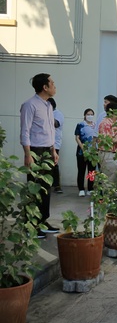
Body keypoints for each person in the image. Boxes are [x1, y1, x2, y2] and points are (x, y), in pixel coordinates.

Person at [20, 73, 60, 238]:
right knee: (34, 188)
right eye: (52, 83)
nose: (55, 86)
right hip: (35, 151)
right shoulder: (30, 105)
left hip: (48, 150)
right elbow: (25, 131)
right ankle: (31, 225)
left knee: (46, 187)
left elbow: (50, 130)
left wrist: (53, 150)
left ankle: (43, 221)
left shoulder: (48, 105)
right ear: (45, 87)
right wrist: (28, 154)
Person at [97, 102, 117, 182]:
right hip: (108, 154)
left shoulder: (115, 123)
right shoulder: (105, 123)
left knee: (115, 181)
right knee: (109, 181)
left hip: (115, 154)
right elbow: (108, 140)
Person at [75, 108, 97, 197]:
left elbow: (96, 137)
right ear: (85, 115)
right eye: (88, 114)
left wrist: (93, 147)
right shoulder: (80, 125)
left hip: (93, 152)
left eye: (91, 114)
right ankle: (81, 189)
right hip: (81, 152)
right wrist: (83, 147)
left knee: (91, 171)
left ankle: (90, 188)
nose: (90, 116)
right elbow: (77, 137)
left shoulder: (95, 125)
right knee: (81, 170)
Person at [48, 97, 64, 194]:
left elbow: (56, 124)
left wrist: (47, 115)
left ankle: (57, 185)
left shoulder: (58, 114)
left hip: (55, 143)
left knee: (54, 164)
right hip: (44, 142)